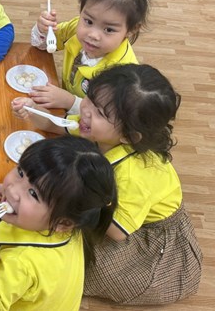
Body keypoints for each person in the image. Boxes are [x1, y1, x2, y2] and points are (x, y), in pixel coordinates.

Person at [12, 64, 202, 305]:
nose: (85, 110)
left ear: (129, 136)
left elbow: (116, 232)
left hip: (148, 237)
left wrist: (67, 202)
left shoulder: (134, 175)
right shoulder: (97, 131)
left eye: (101, 113)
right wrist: (31, 110)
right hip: (118, 207)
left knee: (66, 256)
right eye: (90, 98)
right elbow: (55, 124)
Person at [0, 136, 116, 310]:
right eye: (21, 172)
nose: (12, 190)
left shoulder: (19, 263)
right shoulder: (71, 223)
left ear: (63, 224)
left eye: (33, 194)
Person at [29, 0, 148, 114]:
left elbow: (106, 118)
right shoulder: (75, 28)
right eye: (89, 21)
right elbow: (42, 45)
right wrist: (43, 30)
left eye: (108, 29)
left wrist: (69, 101)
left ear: (131, 29)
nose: (93, 35)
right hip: (64, 108)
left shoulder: (123, 75)